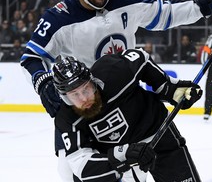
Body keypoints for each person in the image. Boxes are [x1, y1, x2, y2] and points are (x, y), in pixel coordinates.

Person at [19, 0, 212, 180]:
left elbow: (164, 14)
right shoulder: (59, 17)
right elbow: (31, 58)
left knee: (136, 169)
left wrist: (203, 6)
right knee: (69, 170)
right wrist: (44, 82)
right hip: (86, 109)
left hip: (128, 102)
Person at [53, 49, 203, 182]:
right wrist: (121, 155)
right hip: (123, 161)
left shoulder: (114, 72)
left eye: (86, 89)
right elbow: (81, 165)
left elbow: (140, 57)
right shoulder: (66, 118)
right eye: (74, 95)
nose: (84, 98)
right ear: (64, 98)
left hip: (158, 135)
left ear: (93, 81)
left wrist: (168, 87)